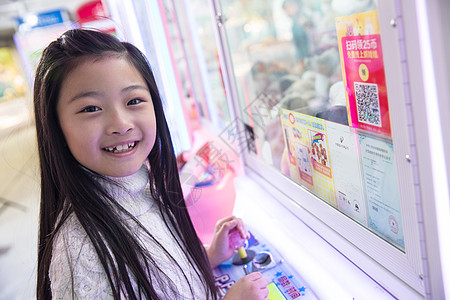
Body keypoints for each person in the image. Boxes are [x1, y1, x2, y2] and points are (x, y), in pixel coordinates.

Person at [34, 29, 270, 300]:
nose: (121, 124)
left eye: (133, 101)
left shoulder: (144, 184)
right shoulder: (80, 252)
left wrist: (210, 255)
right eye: (91, 108)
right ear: (56, 127)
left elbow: (158, 279)